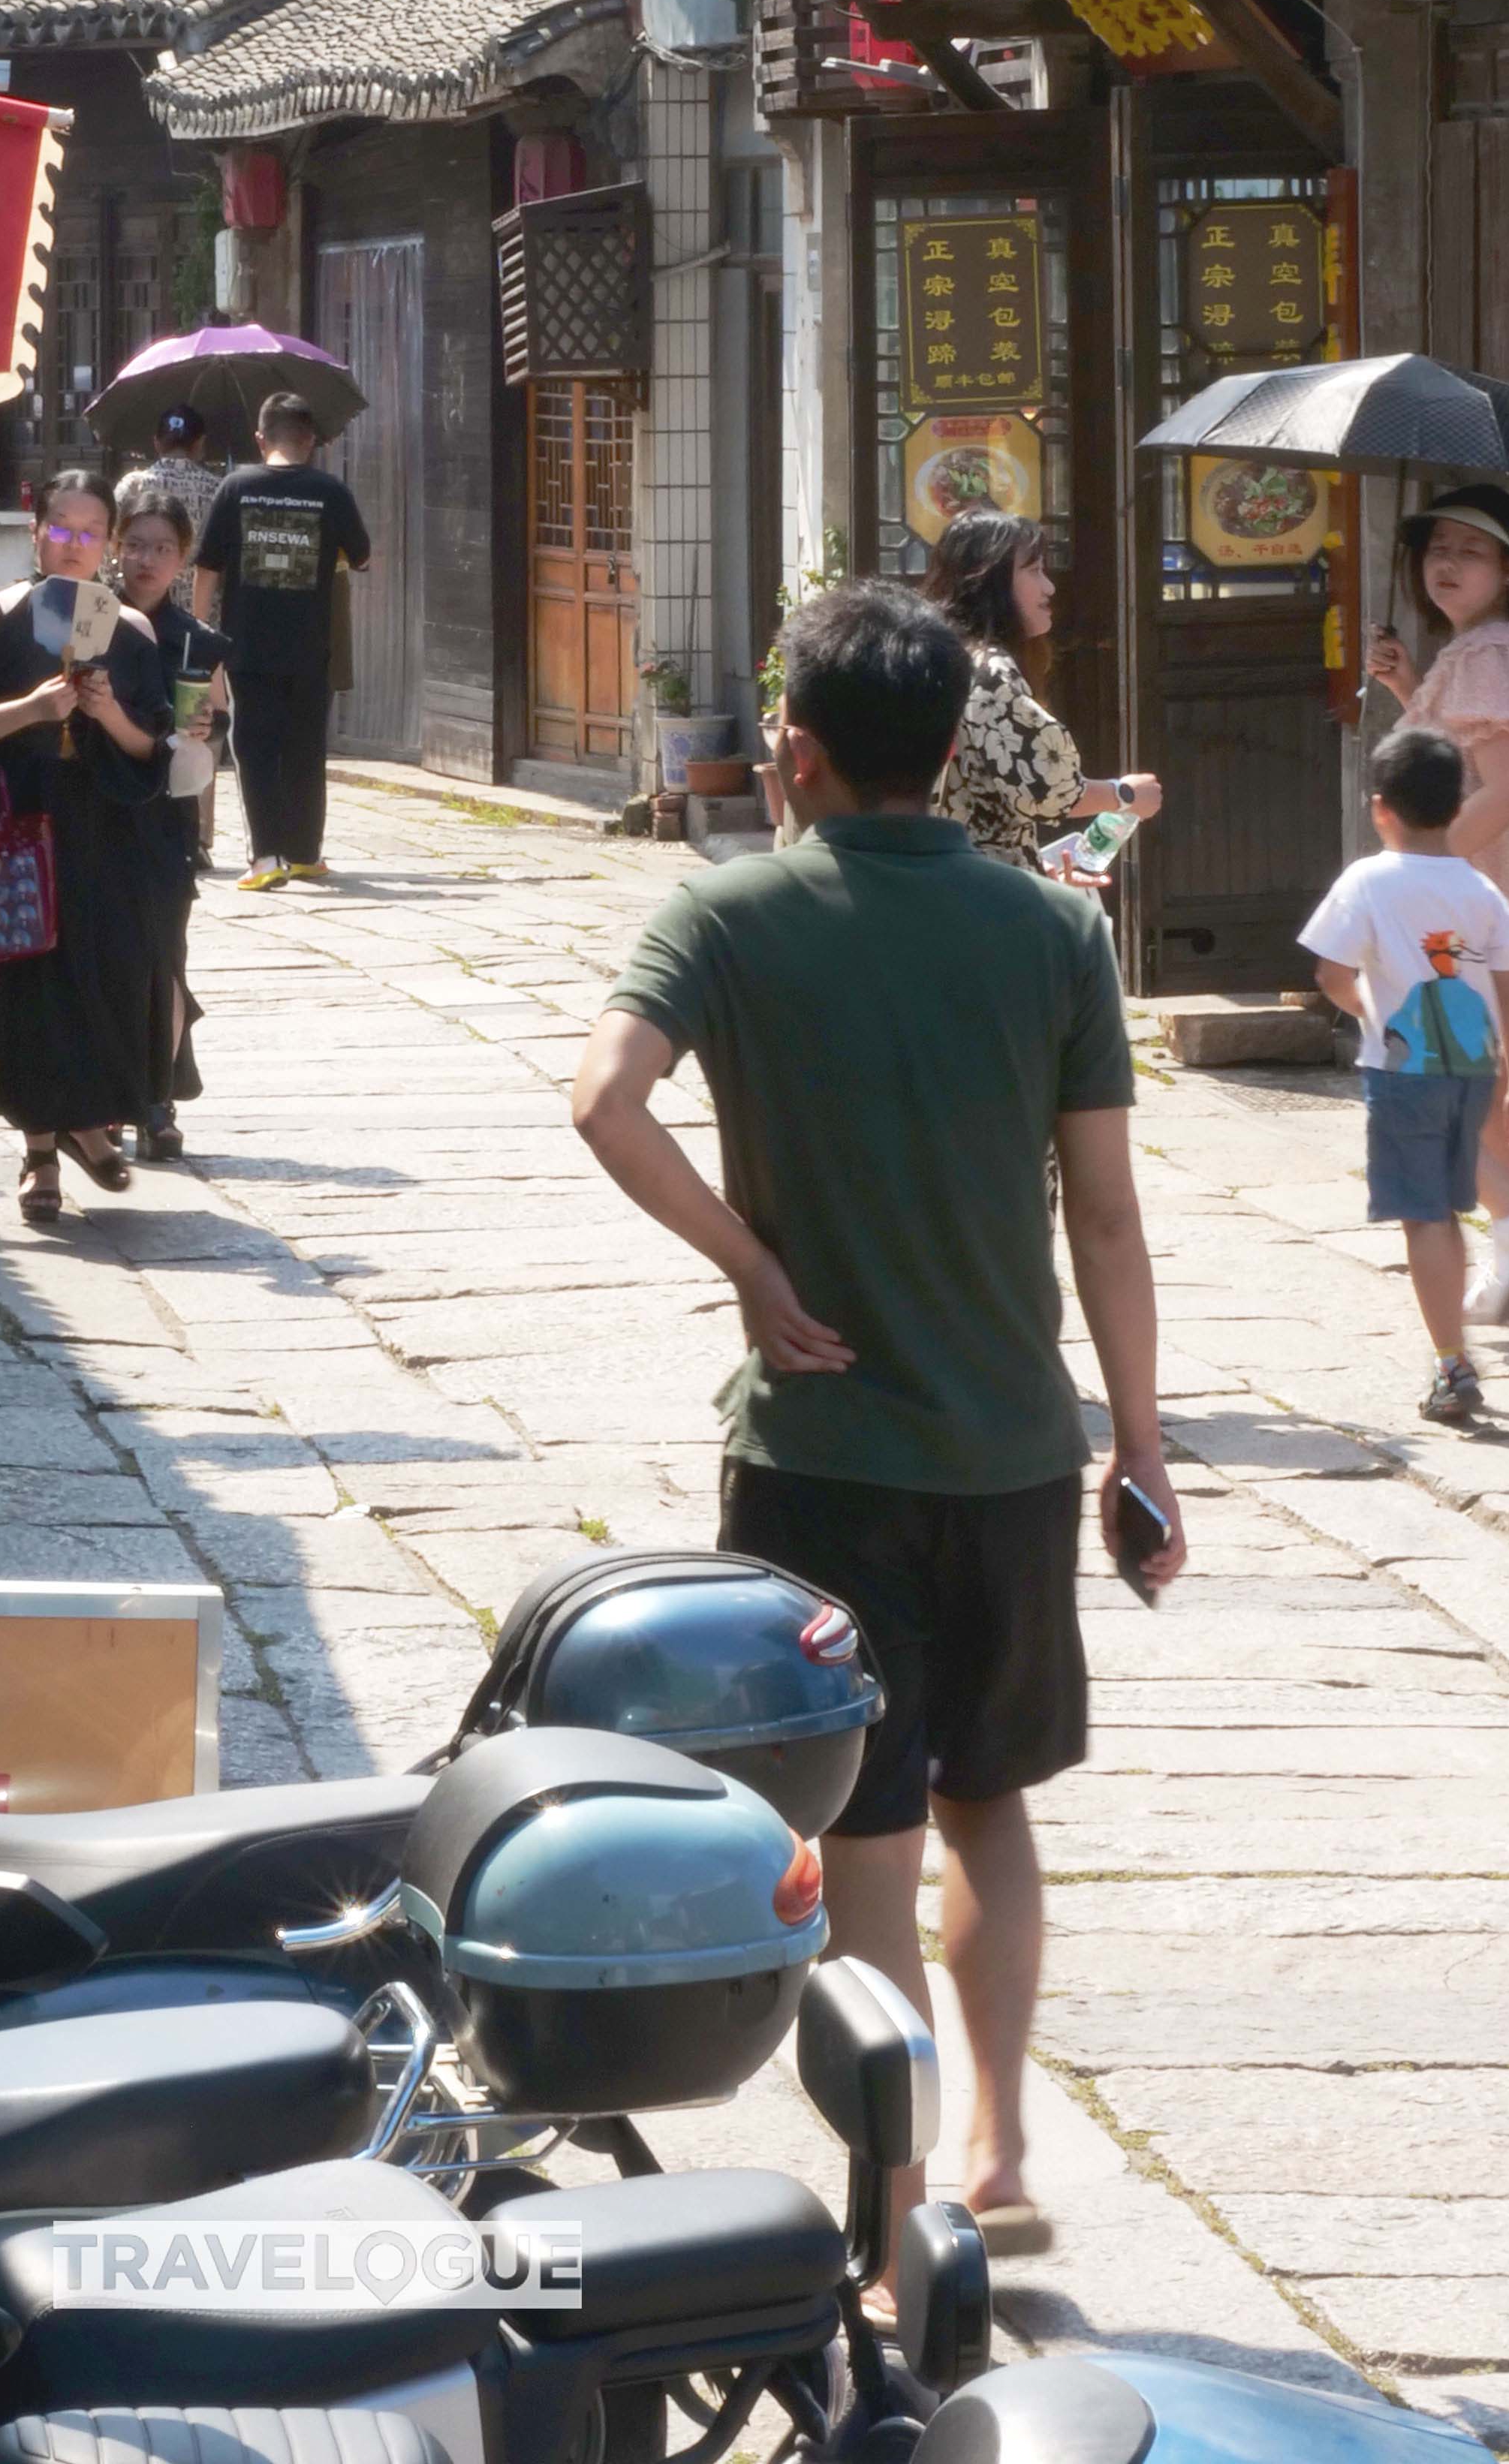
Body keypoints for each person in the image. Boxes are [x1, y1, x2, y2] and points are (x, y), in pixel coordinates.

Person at [571, 578, 1182, 2270]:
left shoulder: (732, 916)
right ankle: (997, 2146)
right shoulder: (1053, 931)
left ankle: (897, 2211)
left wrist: (752, 1265)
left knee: (863, 1843)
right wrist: (1140, 1444)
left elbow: (604, 1104)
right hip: (1010, 1452)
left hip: (816, 1455)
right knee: (993, 1799)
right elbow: (1108, 1218)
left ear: (799, 751)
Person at [1363, 483, 1509, 1322]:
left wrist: (1420, 866)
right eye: (1435, 550)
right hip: (1488, 883)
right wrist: (1407, 686)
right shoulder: (1485, 651)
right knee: (1489, 1076)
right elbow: (1465, 751)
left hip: (1479, 887)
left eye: (1469, 549)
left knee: (1434, 1076)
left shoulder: (1495, 652)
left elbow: (1503, 794)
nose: (1446, 564)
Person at [0, 468, 182, 1224]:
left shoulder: (134, 631)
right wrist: (32, 709)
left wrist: (107, 714)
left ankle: (89, 1122)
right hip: (18, 825)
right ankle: (40, 1150)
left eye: (90, 533)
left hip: (105, 832)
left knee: (108, 977)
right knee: (26, 985)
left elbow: (152, 747)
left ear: (106, 543)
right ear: (35, 528)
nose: (75, 546)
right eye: (62, 529)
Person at [1301, 720, 1509, 1430]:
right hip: (1473, 1072)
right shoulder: (1480, 889)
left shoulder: (1367, 881)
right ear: (1457, 806)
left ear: (1381, 808)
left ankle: (1451, 1363)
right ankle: (1452, 1351)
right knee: (1449, 1207)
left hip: (1402, 1072)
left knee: (1425, 1216)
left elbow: (1331, 973)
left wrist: (1369, 1010)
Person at [191, 393, 369, 892]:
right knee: (307, 749)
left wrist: (199, 634)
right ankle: (306, 853)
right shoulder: (330, 491)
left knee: (254, 748)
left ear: (260, 438)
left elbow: (208, 567)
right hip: (313, 647)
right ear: (310, 441)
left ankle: (266, 857)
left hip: (247, 647)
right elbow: (362, 558)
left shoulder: (236, 488)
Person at [921, 513, 1160, 868]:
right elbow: (1051, 790)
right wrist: (1126, 795)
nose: (1049, 587)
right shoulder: (990, 670)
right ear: (990, 580)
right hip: (988, 891)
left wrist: (1042, 867)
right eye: (1033, 571)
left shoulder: (945, 657)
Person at [115, 479, 228, 1158]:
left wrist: (210, 727)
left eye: (161, 548)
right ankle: (105, 1096)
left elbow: (214, 738)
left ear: (183, 557)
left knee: (164, 956)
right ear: (114, 550)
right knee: (107, 958)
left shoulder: (196, 642)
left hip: (165, 821)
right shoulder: (91, 622)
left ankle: (156, 1100)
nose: (146, 560)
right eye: (135, 545)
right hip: (97, 806)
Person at [140, 409, 226, 606]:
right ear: (200, 444)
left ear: (157, 443)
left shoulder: (133, 486)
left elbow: (108, 553)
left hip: (143, 608)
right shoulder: (219, 490)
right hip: (200, 613)